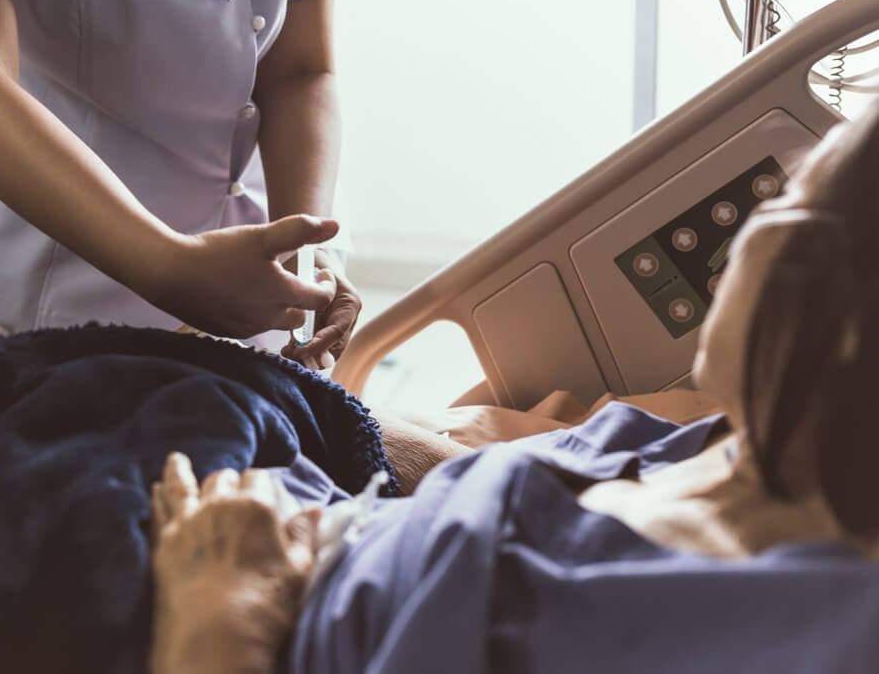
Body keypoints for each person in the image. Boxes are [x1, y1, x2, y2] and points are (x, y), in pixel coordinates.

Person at [145, 105, 879, 672]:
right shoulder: (709, 444)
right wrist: (298, 401)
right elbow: (479, 477)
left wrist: (219, 624)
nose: (738, 250)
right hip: (258, 499)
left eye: (783, 209)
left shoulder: (783, 630)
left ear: (845, 318)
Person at [0, 0, 359, 365]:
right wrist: (167, 265)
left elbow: (300, 70)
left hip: (255, 285)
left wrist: (300, 249)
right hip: (70, 301)